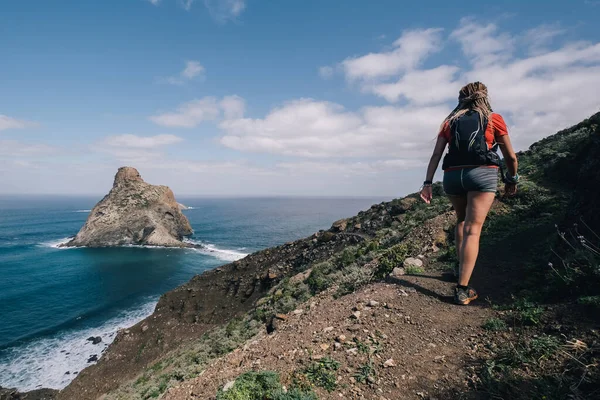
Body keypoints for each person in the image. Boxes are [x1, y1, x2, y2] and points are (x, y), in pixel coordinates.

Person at [419, 82, 519, 305]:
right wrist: (511, 179)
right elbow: (510, 157)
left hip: (452, 177)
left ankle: (458, 268)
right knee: (473, 229)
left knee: (462, 222)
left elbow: (436, 155)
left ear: (460, 99)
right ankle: (463, 289)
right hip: (482, 175)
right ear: (484, 97)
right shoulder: (493, 119)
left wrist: (427, 182)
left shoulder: (450, 121)